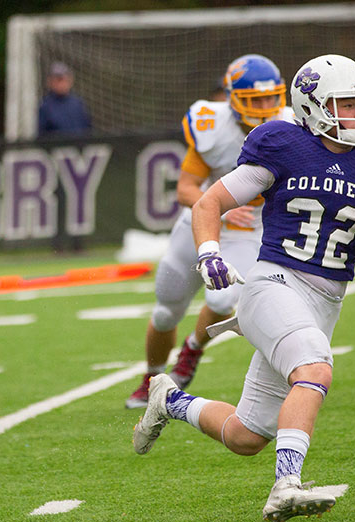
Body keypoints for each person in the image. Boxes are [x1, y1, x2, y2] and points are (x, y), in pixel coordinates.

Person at [132, 54, 355, 522]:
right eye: (347, 104)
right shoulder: (281, 144)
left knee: (246, 436)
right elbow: (209, 200)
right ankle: (286, 486)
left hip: (325, 301)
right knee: (315, 366)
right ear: (313, 106)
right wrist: (210, 251)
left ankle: (171, 400)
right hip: (274, 283)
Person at [125, 54, 293, 409]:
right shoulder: (211, 123)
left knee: (220, 300)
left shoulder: (294, 128)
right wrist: (217, 204)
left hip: (248, 232)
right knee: (165, 311)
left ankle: (192, 349)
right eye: (254, 100)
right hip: (201, 223)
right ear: (233, 98)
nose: (265, 108)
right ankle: (153, 376)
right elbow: (186, 188)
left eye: (270, 98)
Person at [37, 61, 92, 253]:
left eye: (63, 78)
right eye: (57, 79)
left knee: (79, 203)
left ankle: (79, 243)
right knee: (59, 203)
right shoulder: (46, 105)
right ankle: (58, 244)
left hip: (79, 161)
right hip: (57, 163)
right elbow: (41, 135)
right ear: (51, 81)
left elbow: (87, 128)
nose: (61, 83)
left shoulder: (77, 103)